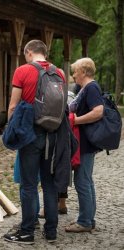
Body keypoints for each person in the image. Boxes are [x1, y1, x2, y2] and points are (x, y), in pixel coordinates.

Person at [3, 40, 67, 244]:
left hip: (30, 134)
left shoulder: (22, 71)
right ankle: (51, 232)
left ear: (29, 52)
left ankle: (27, 232)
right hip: (53, 135)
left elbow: (13, 106)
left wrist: (10, 131)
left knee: (29, 185)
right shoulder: (61, 74)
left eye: (25, 55)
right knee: (49, 184)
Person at [65, 57, 103, 232]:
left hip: (86, 143)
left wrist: (76, 120)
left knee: (82, 181)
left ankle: (85, 222)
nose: (73, 75)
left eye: (75, 71)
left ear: (84, 71)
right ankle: (88, 219)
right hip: (84, 142)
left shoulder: (92, 87)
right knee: (86, 180)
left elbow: (98, 111)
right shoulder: (84, 88)